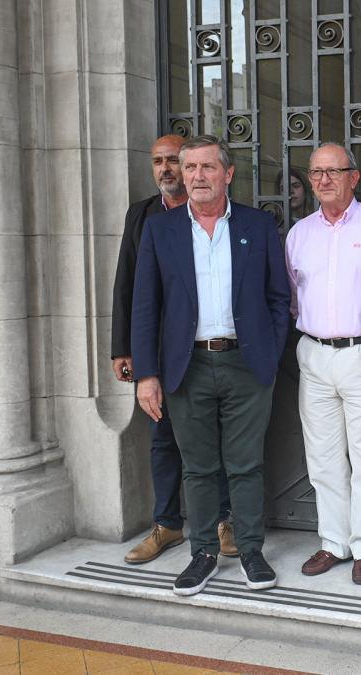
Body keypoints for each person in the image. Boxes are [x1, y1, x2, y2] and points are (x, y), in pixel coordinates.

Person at [131, 135, 291, 597]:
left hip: (246, 363)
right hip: (187, 366)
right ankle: (201, 554)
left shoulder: (258, 225)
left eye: (207, 167)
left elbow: (278, 297)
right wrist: (146, 375)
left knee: (246, 464)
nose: (197, 176)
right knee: (198, 467)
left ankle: (250, 550)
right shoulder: (160, 230)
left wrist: (268, 351)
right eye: (190, 168)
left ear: (228, 174)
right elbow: (146, 306)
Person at [110, 134, 238, 564]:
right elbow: (128, 284)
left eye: (172, 160)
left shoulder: (222, 214)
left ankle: (223, 521)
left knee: (217, 438)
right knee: (162, 438)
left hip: (208, 350)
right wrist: (124, 348)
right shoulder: (143, 215)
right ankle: (167, 523)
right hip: (161, 353)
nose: (166, 169)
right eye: (158, 162)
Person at [287, 143, 361, 585]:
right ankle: (334, 542)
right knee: (323, 457)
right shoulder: (299, 234)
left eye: (333, 171)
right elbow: (293, 295)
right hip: (314, 354)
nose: (323, 180)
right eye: (316, 172)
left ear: (354, 177)